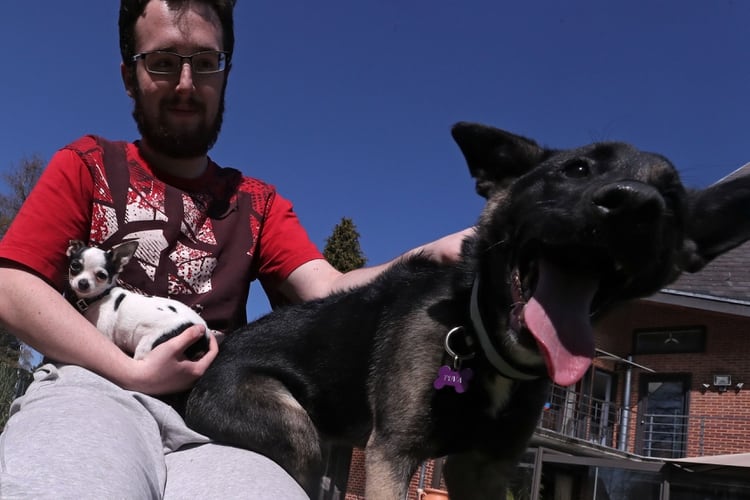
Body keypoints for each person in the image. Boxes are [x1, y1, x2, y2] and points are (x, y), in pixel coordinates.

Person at [0, 1, 470, 498]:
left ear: (225, 73)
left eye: (205, 62)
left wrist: (426, 255)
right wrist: (130, 370)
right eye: (163, 61)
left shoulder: (257, 204)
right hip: (92, 391)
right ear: (128, 75)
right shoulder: (89, 164)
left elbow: (329, 288)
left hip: (219, 419)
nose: (185, 83)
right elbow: (12, 284)